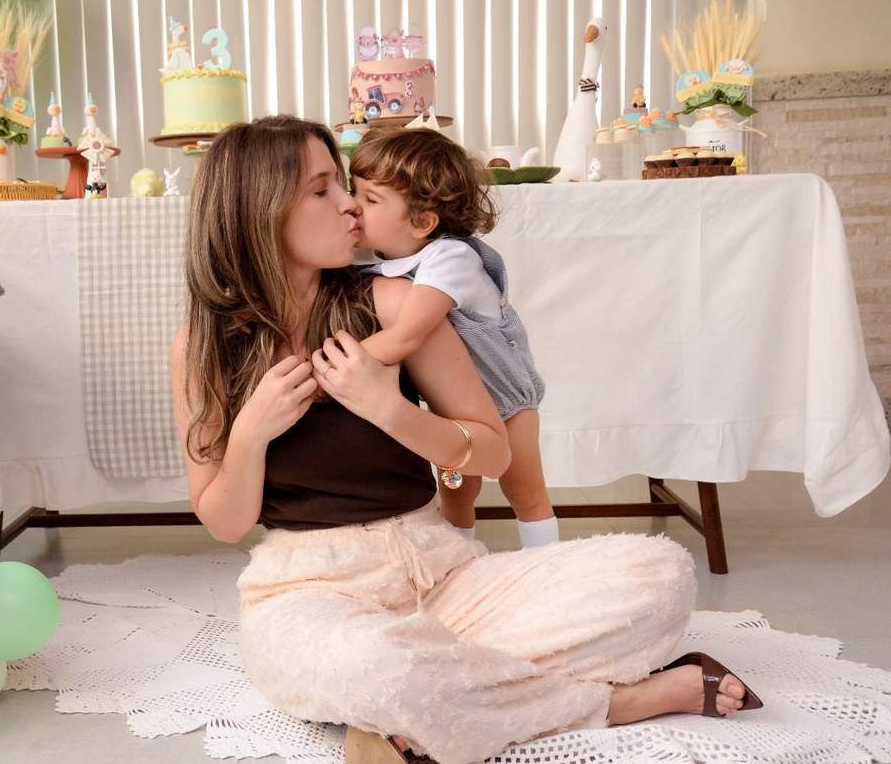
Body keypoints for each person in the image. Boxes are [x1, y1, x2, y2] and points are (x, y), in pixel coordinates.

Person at [171, 115, 762, 764]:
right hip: (307, 593)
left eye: (343, 185)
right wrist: (251, 433)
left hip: (442, 576)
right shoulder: (202, 348)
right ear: (259, 210)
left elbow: (492, 450)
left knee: (658, 573)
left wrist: (388, 409)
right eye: (321, 190)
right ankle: (615, 703)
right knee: (370, 662)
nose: (349, 205)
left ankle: (421, 713)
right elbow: (225, 521)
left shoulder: (392, 303)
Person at [348, 125, 556, 547]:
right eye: (354, 191)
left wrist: (332, 366)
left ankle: (548, 565)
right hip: (453, 405)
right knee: (457, 494)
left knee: (525, 491)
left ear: (423, 221)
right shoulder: (375, 253)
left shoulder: (450, 258)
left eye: (370, 199)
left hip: (506, 397)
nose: (352, 206)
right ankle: (458, 563)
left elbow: (407, 336)